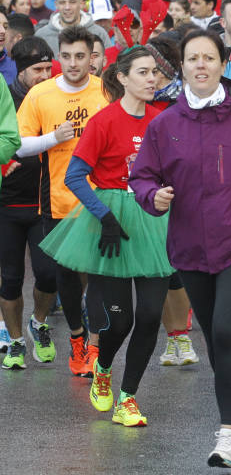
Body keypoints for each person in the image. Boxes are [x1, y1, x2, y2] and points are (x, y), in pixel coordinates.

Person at [130, 29, 231, 468]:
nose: (200, 65)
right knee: (220, 342)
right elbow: (142, 177)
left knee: (223, 330)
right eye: (192, 58)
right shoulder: (163, 124)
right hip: (190, 247)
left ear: (222, 65)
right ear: (180, 67)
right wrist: (152, 196)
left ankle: (229, 433)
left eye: (209, 58)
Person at [39, 46, 173, 426]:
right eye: (144, 72)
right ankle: (104, 369)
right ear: (122, 78)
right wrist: (105, 215)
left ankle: (128, 398)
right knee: (120, 322)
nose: (152, 79)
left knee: (149, 317)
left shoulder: (163, 121)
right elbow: (74, 177)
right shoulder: (104, 122)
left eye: (155, 73)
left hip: (153, 218)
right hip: (108, 222)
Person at [15, 26, 108, 376]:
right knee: (65, 277)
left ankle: (96, 348)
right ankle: (77, 340)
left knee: (99, 275)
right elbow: (18, 144)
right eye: (66, 56)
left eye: (80, 56)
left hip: (101, 198)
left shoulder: (106, 91)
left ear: (92, 57)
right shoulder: (41, 94)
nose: (72, 63)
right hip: (58, 200)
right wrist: (53, 138)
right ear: (59, 57)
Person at [0, 39, 57, 370]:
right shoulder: (6, 96)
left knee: (48, 275)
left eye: (49, 69)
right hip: (7, 203)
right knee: (10, 278)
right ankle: (17, 341)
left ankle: (39, 321)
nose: (45, 75)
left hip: (43, 204)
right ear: (20, 71)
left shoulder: (54, 97)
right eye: (38, 70)